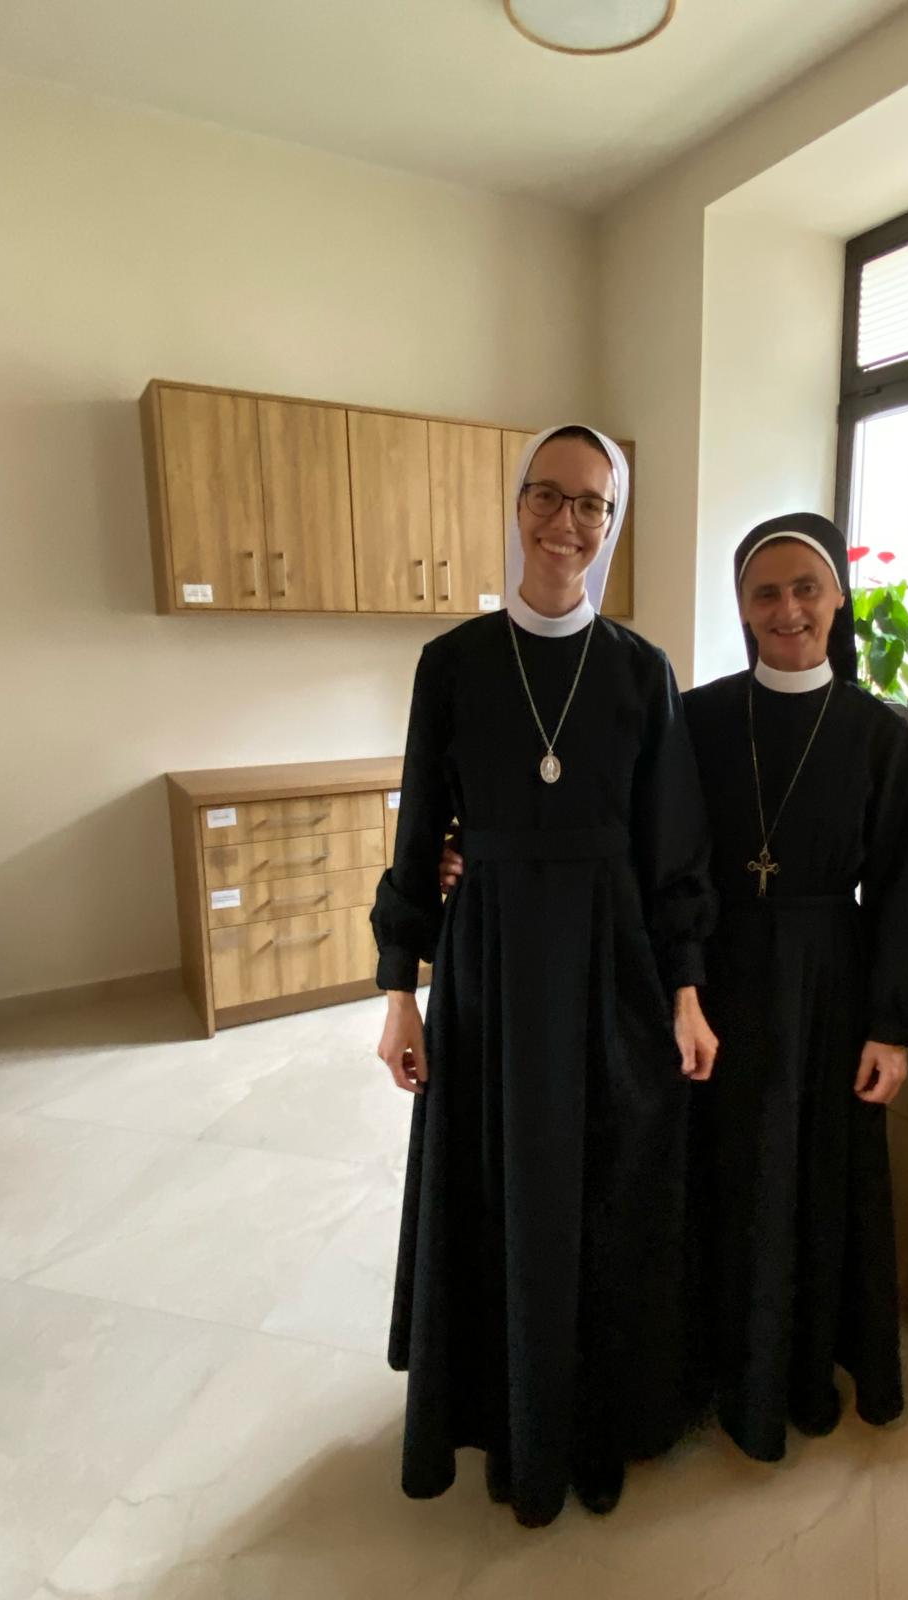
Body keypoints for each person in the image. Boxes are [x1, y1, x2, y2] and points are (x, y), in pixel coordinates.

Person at [371, 423, 719, 1528]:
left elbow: (673, 851)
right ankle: (504, 1410)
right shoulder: (452, 665)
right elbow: (419, 835)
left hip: (611, 964)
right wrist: (399, 991)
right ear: (518, 504)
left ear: (613, 523)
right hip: (489, 963)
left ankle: (593, 1421)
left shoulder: (641, 671)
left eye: (591, 504)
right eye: (548, 495)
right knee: (495, 1186)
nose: (567, 522)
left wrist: (686, 990)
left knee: (606, 1188)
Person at [683, 512, 908, 1459]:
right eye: (766, 593)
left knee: (815, 1175)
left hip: (831, 981)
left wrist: (892, 1026)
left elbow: (902, 887)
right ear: (743, 608)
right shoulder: (698, 719)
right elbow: (646, 844)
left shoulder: (879, 735)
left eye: (806, 589)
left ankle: (799, 1365)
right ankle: (719, 1365)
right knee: (725, 1170)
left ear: (837, 600)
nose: (787, 609)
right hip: (720, 978)